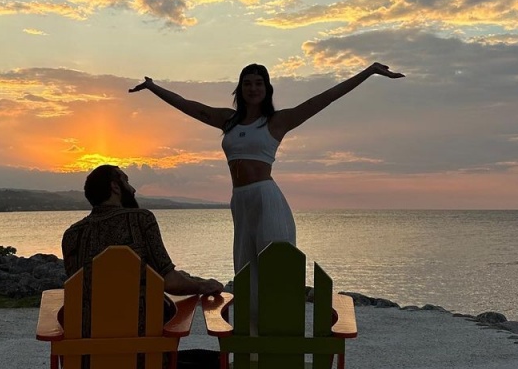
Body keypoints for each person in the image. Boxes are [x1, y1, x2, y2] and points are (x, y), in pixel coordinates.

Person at [129, 62, 404, 286]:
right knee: (245, 268)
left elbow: (324, 99)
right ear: (240, 88)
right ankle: (250, 335)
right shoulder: (228, 120)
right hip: (240, 201)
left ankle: (279, 327)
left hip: (266, 198)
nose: (253, 88)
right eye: (247, 83)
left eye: (258, 83)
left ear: (267, 88)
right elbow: (187, 105)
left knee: (274, 264)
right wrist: (154, 88)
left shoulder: (277, 121)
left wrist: (368, 73)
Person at [62, 163, 223, 297]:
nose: (133, 190)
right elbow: (169, 281)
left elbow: (77, 289)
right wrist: (202, 286)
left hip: (85, 331)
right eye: (126, 181)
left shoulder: (71, 235)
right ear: (115, 187)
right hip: (141, 329)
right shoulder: (141, 219)